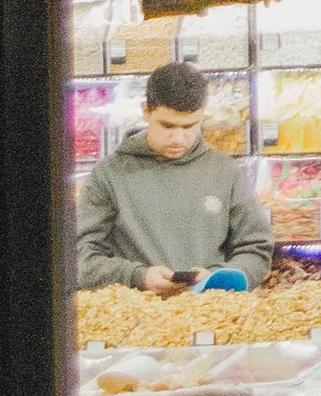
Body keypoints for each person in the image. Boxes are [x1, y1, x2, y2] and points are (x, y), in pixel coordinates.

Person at [75, 61, 273, 292]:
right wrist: (138, 277)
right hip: (135, 317)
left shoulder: (226, 172)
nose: (179, 139)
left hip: (212, 314)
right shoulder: (109, 174)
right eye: (168, 126)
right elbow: (78, 257)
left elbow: (256, 249)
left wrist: (217, 277)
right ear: (146, 111)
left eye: (190, 126)